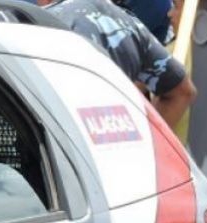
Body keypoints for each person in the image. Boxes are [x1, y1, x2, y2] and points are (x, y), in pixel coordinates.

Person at [43, 0, 196, 129]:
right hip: (120, 146)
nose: (170, 13)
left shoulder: (41, 24)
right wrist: (147, 148)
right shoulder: (128, 23)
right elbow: (182, 92)